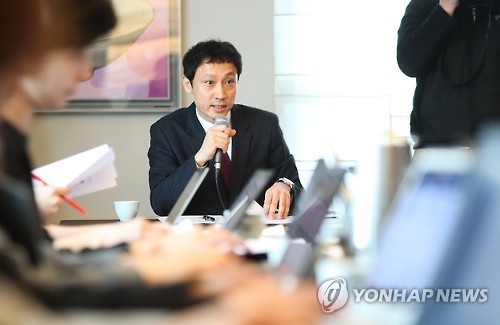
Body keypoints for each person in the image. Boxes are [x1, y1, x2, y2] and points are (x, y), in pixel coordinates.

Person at [149, 39, 303, 219]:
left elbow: (297, 188)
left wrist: (285, 186)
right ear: (188, 84)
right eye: (209, 83)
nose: (221, 94)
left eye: (229, 82)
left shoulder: (264, 124)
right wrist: (199, 159)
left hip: (253, 237)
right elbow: (161, 204)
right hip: (198, 240)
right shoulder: (167, 130)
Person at [398, 0, 500, 149]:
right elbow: (409, 64)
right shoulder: (424, 4)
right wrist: (445, 8)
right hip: (436, 145)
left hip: (493, 148)